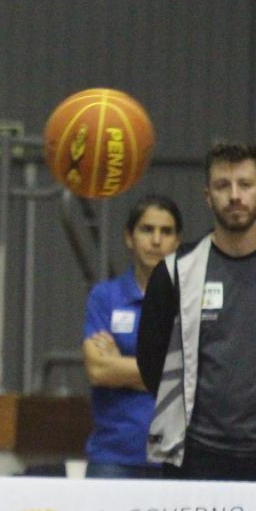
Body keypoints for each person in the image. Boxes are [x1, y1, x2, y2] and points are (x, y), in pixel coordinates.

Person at [138, 142, 256, 482]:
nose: (234, 196)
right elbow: (151, 362)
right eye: (222, 185)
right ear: (207, 196)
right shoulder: (173, 273)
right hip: (194, 457)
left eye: (244, 184)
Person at [81, 195, 182, 478]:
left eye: (166, 232)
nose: (156, 240)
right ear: (129, 237)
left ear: (177, 241)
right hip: (112, 458)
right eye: (147, 229)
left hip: (175, 457)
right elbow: (98, 370)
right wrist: (165, 372)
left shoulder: (190, 299)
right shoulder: (105, 297)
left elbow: (195, 374)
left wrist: (121, 367)